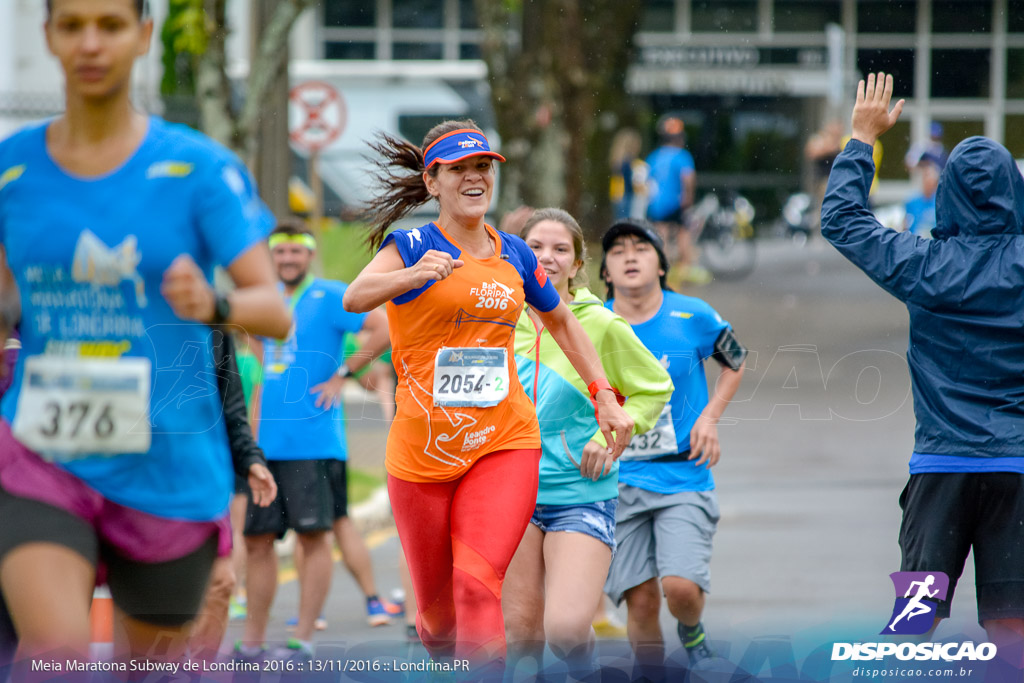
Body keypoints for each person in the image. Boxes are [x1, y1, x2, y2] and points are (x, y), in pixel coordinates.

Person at [0, 0, 290, 671]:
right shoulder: (13, 170)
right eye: (72, 26)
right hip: (43, 448)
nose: (91, 43)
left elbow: (275, 311)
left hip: (167, 463)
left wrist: (212, 300)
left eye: (110, 25)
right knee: (55, 654)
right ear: (48, 37)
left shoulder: (199, 169)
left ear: (143, 36)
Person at [343, 120, 634, 675]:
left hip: (503, 443)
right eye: (459, 169)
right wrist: (409, 277)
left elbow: (563, 324)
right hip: (421, 453)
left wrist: (604, 394)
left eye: (483, 166)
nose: (475, 177)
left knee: (477, 590)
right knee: (437, 622)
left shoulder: (516, 254)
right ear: (433, 182)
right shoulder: (411, 244)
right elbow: (356, 296)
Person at [822, 72, 1024, 653]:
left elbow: (843, 222)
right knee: (1012, 623)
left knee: (915, 618)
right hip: (1016, 467)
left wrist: (862, 139)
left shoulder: (926, 264)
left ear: (948, 192)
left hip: (942, 466)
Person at [504, 208, 673, 678]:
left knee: (565, 631)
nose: (547, 257)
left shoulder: (600, 324)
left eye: (561, 250)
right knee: (520, 636)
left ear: (578, 264)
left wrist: (610, 434)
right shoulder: (497, 319)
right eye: (535, 247)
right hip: (509, 493)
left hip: (578, 492)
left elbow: (654, 387)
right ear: (517, 254)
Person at [238, 219, 393, 662]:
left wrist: (343, 375)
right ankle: (251, 642)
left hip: (315, 443)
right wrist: (249, 436)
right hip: (266, 446)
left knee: (313, 536)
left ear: (309, 254)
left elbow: (382, 328)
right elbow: (260, 367)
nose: (288, 259)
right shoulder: (263, 300)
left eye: (296, 251)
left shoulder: (329, 294)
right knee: (257, 542)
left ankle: (303, 638)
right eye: (280, 252)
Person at [600, 219, 746, 674]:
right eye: (618, 250)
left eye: (641, 248)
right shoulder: (590, 323)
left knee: (681, 589)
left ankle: (692, 629)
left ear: (661, 265)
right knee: (640, 603)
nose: (629, 256)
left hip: (682, 475)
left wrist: (709, 417)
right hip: (616, 482)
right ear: (604, 271)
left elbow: (735, 362)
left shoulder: (693, 315)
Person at [188, 329, 277, 661]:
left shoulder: (213, 322)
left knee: (220, 582)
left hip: (201, 471)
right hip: (110, 477)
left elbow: (235, 404)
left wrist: (250, 458)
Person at [645, 114, 702, 283]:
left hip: (656, 204)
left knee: (662, 236)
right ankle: (685, 270)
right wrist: (688, 198)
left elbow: (647, 180)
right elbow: (688, 179)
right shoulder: (682, 156)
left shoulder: (654, 156)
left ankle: (663, 270)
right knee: (683, 235)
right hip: (677, 202)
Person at [804, 119, 843, 233]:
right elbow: (812, 152)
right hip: (824, 179)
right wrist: (830, 144)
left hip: (837, 179)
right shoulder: (819, 139)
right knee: (825, 205)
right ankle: (821, 231)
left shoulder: (841, 140)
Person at [609, 128, 649, 221]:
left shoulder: (618, 160)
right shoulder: (629, 162)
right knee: (626, 221)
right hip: (626, 195)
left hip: (617, 195)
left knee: (620, 220)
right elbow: (633, 181)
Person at [902, 158, 939, 237]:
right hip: (915, 242)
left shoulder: (939, 203)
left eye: (931, 183)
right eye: (927, 182)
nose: (929, 186)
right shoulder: (912, 202)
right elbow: (905, 226)